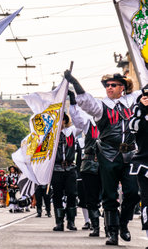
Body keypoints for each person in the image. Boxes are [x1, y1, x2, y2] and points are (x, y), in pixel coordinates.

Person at [65, 71, 141, 245]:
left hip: (130, 154)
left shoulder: (133, 100)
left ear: (122, 87)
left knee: (133, 193)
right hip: (108, 154)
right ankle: (112, 233)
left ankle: (123, 223)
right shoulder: (101, 106)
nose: (109, 88)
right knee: (109, 194)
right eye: (107, 85)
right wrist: (74, 81)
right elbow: (85, 100)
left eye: (113, 85)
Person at [69, 90, 102, 237]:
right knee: (91, 197)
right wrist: (72, 100)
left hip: (109, 163)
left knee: (110, 195)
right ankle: (95, 226)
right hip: (90, 164)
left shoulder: (112, 122)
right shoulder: (90, 125)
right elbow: (76, 118)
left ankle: (112, 227)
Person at [51, 113, 80, 231]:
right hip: (56, 168)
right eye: (59, 120)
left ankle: (71, 221)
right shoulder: (51, 134)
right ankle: (59, 222)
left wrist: (74, 106)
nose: (61, 122)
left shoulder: (71, 131)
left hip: (70, 167)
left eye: (63, 119)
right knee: (57, 194)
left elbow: (80, 123)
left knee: (72, 194)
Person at [128, 86, 148, 244]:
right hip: (144, 163)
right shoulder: (138, 115)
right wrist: (142, 108)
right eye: (145, 96)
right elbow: (132, 127)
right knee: (147, 201)